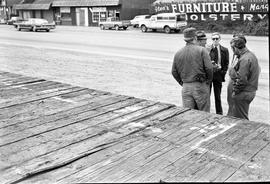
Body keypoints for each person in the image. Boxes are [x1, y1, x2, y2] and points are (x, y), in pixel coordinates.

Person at [171, 27, 213, 112]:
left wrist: (182, 82)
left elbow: (174, 72)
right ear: (195, 38)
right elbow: (209, 68)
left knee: (188, 113)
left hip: (186, 87)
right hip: (200, 85)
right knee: (204, 113)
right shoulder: (202, 50)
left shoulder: (178, 53)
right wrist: (208, 80)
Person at [227, 37, 260, 120]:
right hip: (250, 91)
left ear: (236, 48)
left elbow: (242, 80)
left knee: (241, 119)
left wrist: (235, 92)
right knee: (242, 115)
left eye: (233, 49)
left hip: (244, 92)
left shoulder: (244, 59)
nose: (233, 51)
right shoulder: (251, 55)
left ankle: (246, 132)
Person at [209, 32, 229, 115]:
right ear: (211, 39)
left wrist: (223, 73)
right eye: (213, 38)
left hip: (218, 75)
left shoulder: (224, 50)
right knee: (207, 95)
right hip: (210, 75)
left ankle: (219, 112)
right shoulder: (207, 49)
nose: (215, 40)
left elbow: (226, 63)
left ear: (220, 39)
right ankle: (207, 111)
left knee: (218, 96)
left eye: (217, 38)